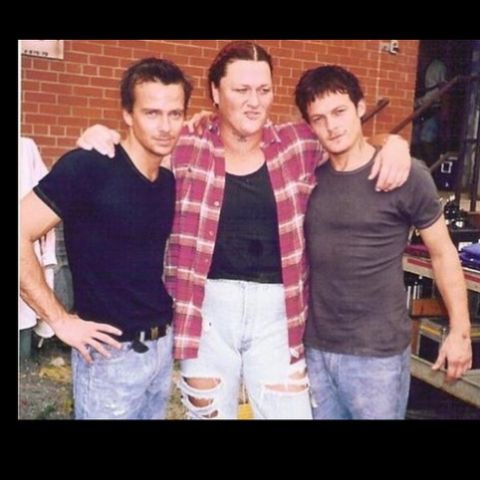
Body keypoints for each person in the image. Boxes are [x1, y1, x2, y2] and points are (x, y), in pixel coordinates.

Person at [77, 41, 412, 419]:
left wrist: (393, 143)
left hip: (279, 314)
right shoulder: (185, 143)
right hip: (205, 313)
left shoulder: (298, 143)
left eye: (263, 90)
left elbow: (350, 141)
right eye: (241, 90)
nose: (254, 102)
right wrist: (99, 134)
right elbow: (137, 142)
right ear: (216, 93)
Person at [295, 65, 472, 420]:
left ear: (361, 107)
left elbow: (443, 254)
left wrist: (460, 332)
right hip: (315, 350)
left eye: (339, 111)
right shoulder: (305, 177)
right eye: (319, 118)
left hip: (378, 357)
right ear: (310, 125)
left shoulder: (405, 174)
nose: (332, 126)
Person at [20, 57, 193, 419]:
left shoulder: (166, 181)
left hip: (160, 349)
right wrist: (59, 320)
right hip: (108, 357)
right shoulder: (89, 167)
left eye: (174, 114)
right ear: (127, 114)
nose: (165, 126)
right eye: (152, 113)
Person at [412, 57, 447, 166]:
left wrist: (445, 110)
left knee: (426, 139)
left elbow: (444, 88)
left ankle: (432, 166)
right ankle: (420, 165)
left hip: (434, 107)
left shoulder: (438, 66)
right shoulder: (416, 65)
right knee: (414, 140)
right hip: (417, 107)